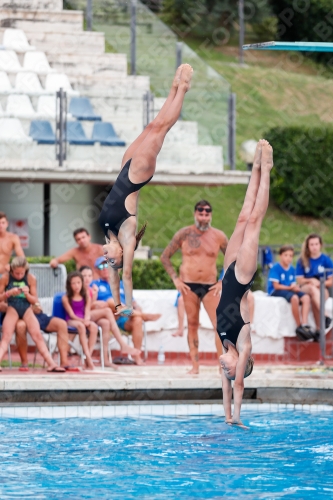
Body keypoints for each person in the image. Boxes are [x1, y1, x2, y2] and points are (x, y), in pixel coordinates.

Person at [101, 64, 193, 317]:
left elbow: (113, 278)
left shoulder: (108, 236)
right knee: (162, 128)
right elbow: (125, 275)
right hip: (136, 175)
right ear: (120, 255)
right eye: (110, 260)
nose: (105, 257)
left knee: (152, 125)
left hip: (124, 169)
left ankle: (174, 88)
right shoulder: (127, 241)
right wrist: (128, 305)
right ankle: (183, 89)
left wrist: (116, 301)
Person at [217, 139, 273, 429]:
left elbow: (225, 387)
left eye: (224, 371)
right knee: (254, 221)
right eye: (230, 370)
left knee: (241, 217)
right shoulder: (243, 343)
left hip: (227, 272)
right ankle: (267, 169)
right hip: (241, 278)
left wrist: (225, 415)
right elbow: (236, 385)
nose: (224, 369)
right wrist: (237, 418)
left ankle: (254, 166)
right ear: (241, 365)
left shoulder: (223, 341)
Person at [160, 200, 228, 374]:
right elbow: (165, 257)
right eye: (201, 214)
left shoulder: (219, 236)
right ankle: (195, 366)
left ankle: (222, 366)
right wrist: (175, 279)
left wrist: (223, 281)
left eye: (207, 214)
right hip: (188, 286)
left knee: (219, 325)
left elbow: (232, 260)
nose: (204, 218)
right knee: (192, 324)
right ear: (195, 214)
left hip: (210, 286)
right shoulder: (184, 234)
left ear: (211, 215)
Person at [91, 257, 161, 364]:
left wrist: (137, 309)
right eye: (101, 266)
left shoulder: (122, 284)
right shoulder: (94, 284)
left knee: (137, 319)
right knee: (110, 301)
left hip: (125, 319)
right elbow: (90, 303)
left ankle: (137, 356)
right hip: (109, 318)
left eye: (107, 265)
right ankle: (144, 316)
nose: (105, 268)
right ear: (96, 270)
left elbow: (134, 303)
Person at [0, 257, 65, 372]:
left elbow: (35, 300)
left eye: (22, 273)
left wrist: (27, 294)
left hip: (27, 308)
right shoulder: (5, 278)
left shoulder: (30, 278)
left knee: (37, 336)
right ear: (11, 271)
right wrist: (8, 293)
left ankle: (51, 364)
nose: (19, 276)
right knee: (6, 336)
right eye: (16, 273)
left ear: (26, 271)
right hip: (12, 308)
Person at [79, 265, 142, 366]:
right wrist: (96, 303)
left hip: (114, 318)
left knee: (106, 323)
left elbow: (134, 302)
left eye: (89, 276)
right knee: (108, 309)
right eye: (84, 276)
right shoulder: (88, 287)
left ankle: (105, 360)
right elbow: (85, 307)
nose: (87, 278)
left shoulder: (93, 289)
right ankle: (122, 344)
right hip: (87, 316)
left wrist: (94, 299)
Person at [15, 302, 80, 372]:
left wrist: (36, 308)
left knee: (62, 324)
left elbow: (36, 304)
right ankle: (24, 362)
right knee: (20, 326)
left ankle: (64, 362)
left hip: (37, 316)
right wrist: (21, 308)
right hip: (17, 315)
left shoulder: (29, 290)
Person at [268, 245, 313, 340]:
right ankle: (299, 326)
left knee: (306, 298)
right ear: (280, 256)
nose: (288, 258)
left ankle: (305, 324)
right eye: (286, 255)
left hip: (288, 289)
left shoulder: (292, 269)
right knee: (294, 298)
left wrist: (295, 287)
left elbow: (292, 283)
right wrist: (290, 288)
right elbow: (276, 286)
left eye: (291, 256)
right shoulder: (276, 267)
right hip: (276, 291)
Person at [296, 233, 333, 335]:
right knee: (312, 289)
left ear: (320, 245)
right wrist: (311, 280)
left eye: (316, 244)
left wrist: (319, 283)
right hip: (306, 287)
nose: (314, 247)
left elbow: (330, 282)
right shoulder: (302, 260)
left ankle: (318, 330)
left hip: (322, 287)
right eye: (311, 244)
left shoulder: (326, 260)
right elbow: (299, 280)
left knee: (315, 298)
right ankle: (325, 315)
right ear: (308, 246)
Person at [62, 271, 98, 370]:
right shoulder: (65, 298)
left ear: (82, 283)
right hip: (72, 320)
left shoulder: (86, 295)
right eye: (73, 283)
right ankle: (89, 360)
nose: (76, 285)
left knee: (94, 327)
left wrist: (86, 319)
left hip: (83, 319)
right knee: (81, 326)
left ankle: (87, 358)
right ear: (69, 285)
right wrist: (83, 321)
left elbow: (87, 310)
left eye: (78, 282)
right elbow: (71, 315)